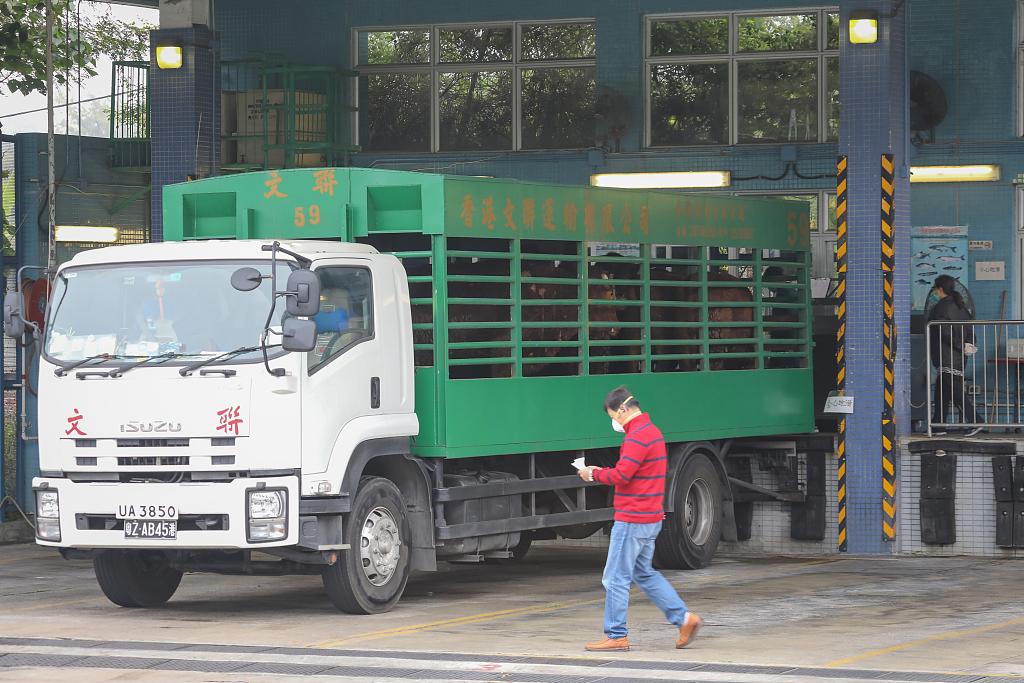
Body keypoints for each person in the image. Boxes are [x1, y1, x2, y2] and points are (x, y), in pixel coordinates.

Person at [577, 387, 703, 652]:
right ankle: (684, 619)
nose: (615, 422)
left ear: (623, 409)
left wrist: (594, 473)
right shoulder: (654, 432)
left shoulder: (637, 437)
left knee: (614, 579)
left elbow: (622, 475)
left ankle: (616, 634)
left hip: (632, 518)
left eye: (614, 416)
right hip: (650, 517)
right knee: (643, 573)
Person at [927, 275, 981, 437]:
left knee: (955, 390)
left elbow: (943, 331)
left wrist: (958, 344)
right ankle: (938, 425)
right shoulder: (961, 307)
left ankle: (976, 421)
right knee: (942, 390)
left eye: (935, 289)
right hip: (959, 356)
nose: (935, 292)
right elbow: (970, 328)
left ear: (940, 289)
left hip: (946, 355)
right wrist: (968, 345)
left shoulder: (941, 307)